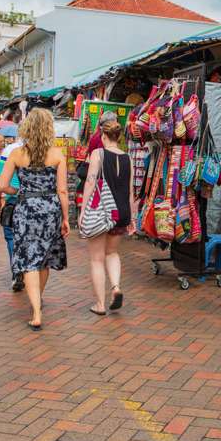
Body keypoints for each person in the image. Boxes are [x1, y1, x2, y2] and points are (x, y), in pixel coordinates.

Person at [0, 109, 69, 330]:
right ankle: (38, 299)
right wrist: (66, 218)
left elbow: (2, 186)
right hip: (50, 209)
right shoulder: (57, 155)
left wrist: (17, 193)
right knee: (45, 258)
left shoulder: (17, 154)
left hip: (25, 208)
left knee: (29, 259)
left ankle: (36, 311)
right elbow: (63, 191)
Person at [79, 111, 135, 316]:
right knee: (112, 253)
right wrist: (132, 217)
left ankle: (100, 305)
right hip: (121, 212)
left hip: (101, 212)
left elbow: (90, 182)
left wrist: (83, 211)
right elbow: (130, 190)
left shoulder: (98, 154)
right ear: (118, 137)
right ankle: (116, 287)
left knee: (96, 259)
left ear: (103, 136)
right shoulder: (128, 157)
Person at [0, 137, 23, 292]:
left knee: (11, 237)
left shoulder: (9, 150)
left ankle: (16, 271)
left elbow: (1, 180)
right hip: (36, 202)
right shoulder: (45, 150)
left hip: (13, 199)